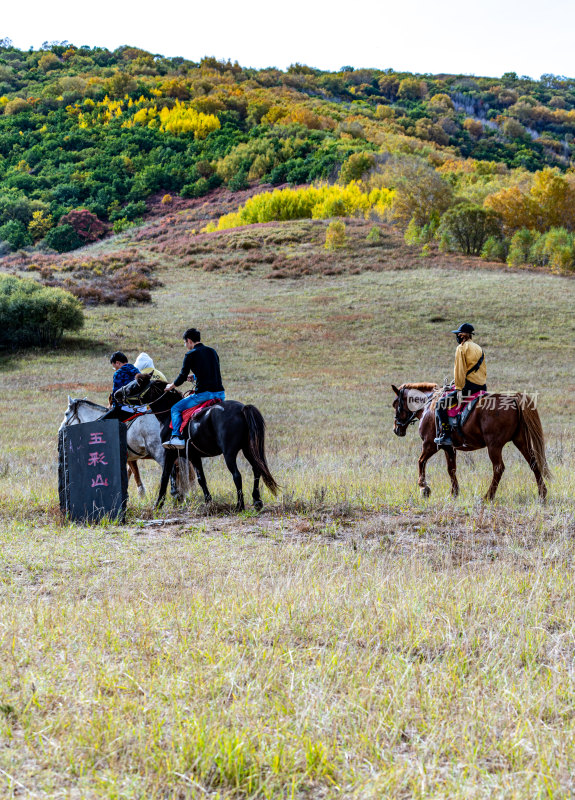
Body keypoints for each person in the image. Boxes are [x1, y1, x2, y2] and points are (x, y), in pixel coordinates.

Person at [163, 328, 225, 449]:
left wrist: (172, 386)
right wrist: (195, 376)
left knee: (175, 408)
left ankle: (176, 437)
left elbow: (182, 376)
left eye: (185, 343)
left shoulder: (190, 354)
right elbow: (213, 372)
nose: (185, 345)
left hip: (203, 395)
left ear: (189, 341)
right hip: (220, 394)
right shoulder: (212, 351)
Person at [435, 323, 487, 447]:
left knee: (440, 405)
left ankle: (446, 435)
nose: (457, 336)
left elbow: (460, 370)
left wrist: (458, 388)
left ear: (463, 336)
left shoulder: (461, 348)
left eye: (458, 334)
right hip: (481, 386)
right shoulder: (478, 348)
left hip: (467, 387)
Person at [100, 351, 141, 422]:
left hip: (126, 409)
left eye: (114, 367)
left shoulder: (119, 373)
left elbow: (116, 394)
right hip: (141, 407)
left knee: (101, 423)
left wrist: (113, 408)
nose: (115, 369)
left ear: (117, 363)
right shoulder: (137, 370)